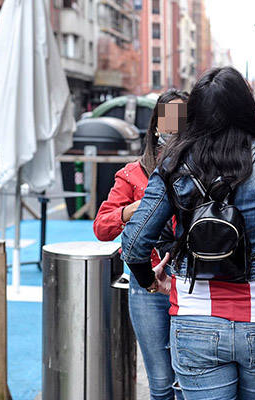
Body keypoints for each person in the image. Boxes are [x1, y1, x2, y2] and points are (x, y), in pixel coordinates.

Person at [121, 67, 255, 399]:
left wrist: (149, 279)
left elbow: (134, 243)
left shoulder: (175, 163)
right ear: (246, 108)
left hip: (195, 317)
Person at [93, 88, 189, 400]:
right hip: (146, 284)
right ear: (156, 125)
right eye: (169, 120)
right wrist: (133, 209)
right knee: (160, 381)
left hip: (190, 281)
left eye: (182, 119)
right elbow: (102, 227)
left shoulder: (202, 168)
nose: (174, 128)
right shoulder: (133, 173)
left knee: (188, 379)